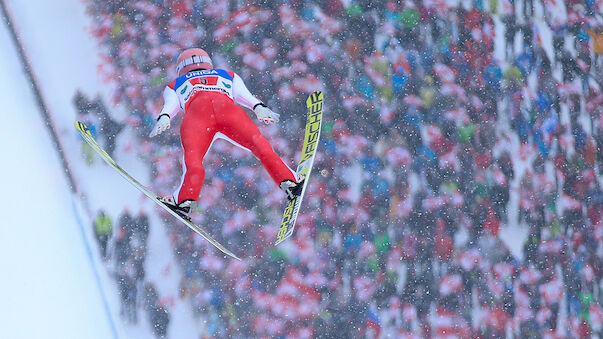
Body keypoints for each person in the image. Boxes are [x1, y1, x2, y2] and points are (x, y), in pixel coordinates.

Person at [149, 48, 303, 219]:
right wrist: (259, 107)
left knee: (193, 161)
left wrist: (164, 117)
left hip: (198, 117)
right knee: (260, 146)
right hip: (228, 111)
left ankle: (185, 200)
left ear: (181, 69)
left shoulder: (174, 84)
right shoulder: (227, 74)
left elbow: (170, 105)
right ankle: (289, 181)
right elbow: (245, 95)